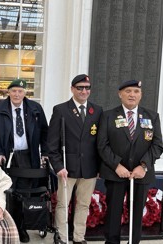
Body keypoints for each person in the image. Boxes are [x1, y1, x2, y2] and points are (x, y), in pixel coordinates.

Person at [97, 80, 163, 244]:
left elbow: (157, 145)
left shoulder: (152, 116)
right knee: (113, 213)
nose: (132, 95)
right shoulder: (108, 116)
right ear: (120, 94)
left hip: (141, 175)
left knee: (136, 213)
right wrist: (116, 165)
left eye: (136, 91)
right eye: (128, 91)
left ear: (141, 95)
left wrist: (143, 166)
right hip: (115, 173)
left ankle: (133, 242)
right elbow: (102, 145)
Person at [0, 78, 49, 243]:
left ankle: (22, 227)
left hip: (29, 156)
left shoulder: (35, 108)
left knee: (26, 194)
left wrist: (45, 153)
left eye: (20, 91)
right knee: (9, 193)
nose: (17, 94)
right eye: (13, 91)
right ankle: (9, 226)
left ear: (25, 93)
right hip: (8, 157)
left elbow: (44, 132)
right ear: (8, 92)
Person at [47, 74, 103, 244]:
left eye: (87, 88)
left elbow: (100, 142)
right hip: (67, 167)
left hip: (89, 168)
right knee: (63, 204)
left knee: (83, 205)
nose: (84, 91)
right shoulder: (61, 110)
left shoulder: (97, 110)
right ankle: (62, 237)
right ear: (72, 89)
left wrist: (100, 167)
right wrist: (58, 166)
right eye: (80, 87)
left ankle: (79, 237)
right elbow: (52, 144)